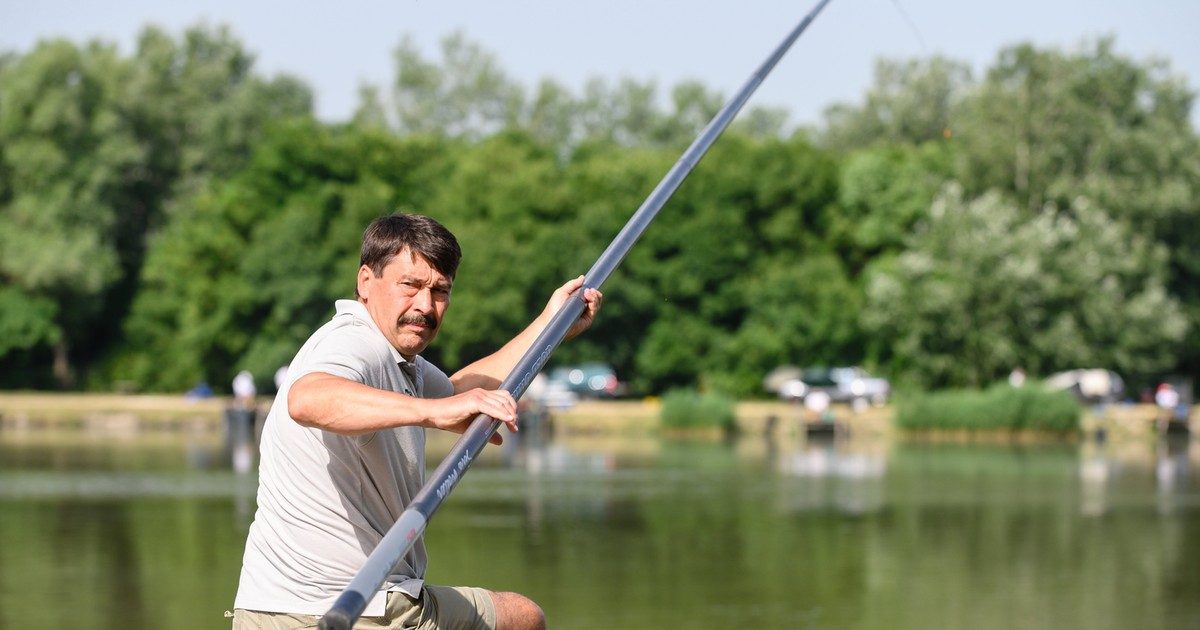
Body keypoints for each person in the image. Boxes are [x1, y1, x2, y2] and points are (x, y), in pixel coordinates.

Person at [231, 213, 602, 630]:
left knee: (520, 617)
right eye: (410, 285)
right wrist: (434, 412)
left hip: (263, 605)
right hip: (349, 609)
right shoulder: (354, 342)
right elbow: (307, 399)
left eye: (440, 291)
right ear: (366, 282)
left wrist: (551, 326)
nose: (425, 306)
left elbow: (465, 390)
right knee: (522, 618)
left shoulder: (402, 364)